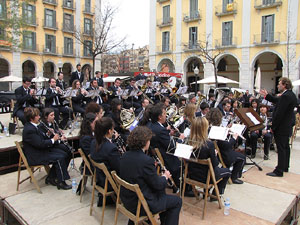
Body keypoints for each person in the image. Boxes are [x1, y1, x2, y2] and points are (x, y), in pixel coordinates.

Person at [120, 126, 182, 225]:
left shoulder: (125, 156)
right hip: (142, 205)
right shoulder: (146, 160)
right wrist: (165, 177)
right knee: (177, 201)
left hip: (128, 201)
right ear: (145, 142)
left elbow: (137, 172)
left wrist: (151, 170)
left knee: (164, 197)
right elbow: (158, 185)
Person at [22, 107, 71, 190]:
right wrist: (53, 139)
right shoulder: (29, 129)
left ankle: (51, 177)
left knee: (65, 153)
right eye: (37, 116)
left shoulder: (33, 126)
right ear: (31, 118)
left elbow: (40, 139)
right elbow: (40, 144)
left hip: (40, 151)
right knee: (60, 157)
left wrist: (48, 135)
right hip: (36, 155)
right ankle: (61, 182)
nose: (39, 117)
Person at [260, 77, 297, 177]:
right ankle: (285, 166)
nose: (278, 85)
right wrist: (267, 96)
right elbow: (277, 100)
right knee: (285, 147)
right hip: (287, 126)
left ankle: (279, 170)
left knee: (281, 148)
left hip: (282, 127)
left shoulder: (286, 96)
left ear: (284, 85)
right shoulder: (290, 94)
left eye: (279, 84)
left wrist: (273, 126)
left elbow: (279, 113)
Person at [188, 117, 231, 198]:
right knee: (228, 171)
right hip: (206, 177)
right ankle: (215, 195)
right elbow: (215, 164)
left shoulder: (188, 142)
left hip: (192, 175)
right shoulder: (208, 144)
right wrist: (214, 154)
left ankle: (207, 192)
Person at [147, 103, 185, 187]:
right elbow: (172, 146)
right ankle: (182, 185)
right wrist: (180, 139)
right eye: (164, 114)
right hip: (167, 157)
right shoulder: (160, 130)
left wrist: (168, 133)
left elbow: (160, 136)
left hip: (158, 152)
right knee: (185, 162)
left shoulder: (151, 125)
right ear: (159, 117)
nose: (166, 115)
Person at [206, 108, 245, 184]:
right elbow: (227, 145)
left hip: (216, 153)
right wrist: (234, 138)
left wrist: (226, 130)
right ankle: (234, 177)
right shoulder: (217, 130)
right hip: (224, 155)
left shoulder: (209, 128)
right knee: (242, 158)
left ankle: (228, 171)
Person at [90, 117, 121, 205]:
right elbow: (119, 168)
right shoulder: (111, 149)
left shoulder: (94, 142)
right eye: (112, 129)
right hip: (109, 182)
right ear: (109, 131)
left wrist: (113, 142)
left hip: (100, 178)